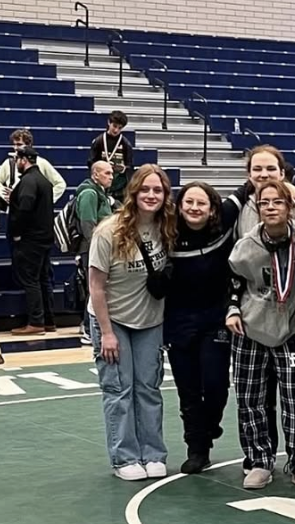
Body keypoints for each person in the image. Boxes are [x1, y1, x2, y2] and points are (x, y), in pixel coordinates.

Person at [88, 164, 176, 481]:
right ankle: (124, 456)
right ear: (133, 192)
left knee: (148, 389)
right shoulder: (108, 231)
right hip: (112, 319)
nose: (151, 195)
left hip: (150, 320)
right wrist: (107, 334)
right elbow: (96, 286)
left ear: (166, 195)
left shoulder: (168, 228)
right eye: (145, 189)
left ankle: (153, 453)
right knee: (119, 389)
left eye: (158, 190)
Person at [226, 180, 295, 490]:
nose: (271, 208)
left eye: (278, 202)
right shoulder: (247, 244)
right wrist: (232, 309)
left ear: (289, 207)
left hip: (292, 330)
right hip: (251, 330)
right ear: (258, 208)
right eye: (264, 203)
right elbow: (234, 282)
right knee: (250, 399)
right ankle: (259, 460)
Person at [166, 182, 238, 474]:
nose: (194, 208)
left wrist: (291, 186)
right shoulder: (167, 230)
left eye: (201, 204)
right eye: (189, 202)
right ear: (180, 205)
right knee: (188, 391)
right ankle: (197, 449)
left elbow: (251, 186)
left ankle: (209, 427)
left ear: (212, 209)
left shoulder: (225, 221)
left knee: (216, 384)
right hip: (179, 322)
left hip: (215, 320)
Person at [5, 147, 56, 336]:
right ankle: (48, 320)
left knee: (30, 280)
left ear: (24, 159)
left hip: (30, 240)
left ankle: (36, 322)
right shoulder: (44, 180)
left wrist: (17, 233)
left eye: (17, 159)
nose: (15, 162)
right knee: (43, 279)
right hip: (44, 238)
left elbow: (24, 209)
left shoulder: (28, 181)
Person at [74, 161, 114, 342]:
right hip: (91, 249)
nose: (111, 177)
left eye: (112, 173)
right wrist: (97, 248)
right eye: (107, 173)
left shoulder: (101, 193)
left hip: (99, 247)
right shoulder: (89, 193)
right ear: (95, 174)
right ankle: (88, 329)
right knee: (94, 289)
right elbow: (87, 224)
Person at [0, 129, 66, 205]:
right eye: (14, 144)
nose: (15, 148)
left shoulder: (42, 163)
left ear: (29, 145)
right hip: (14, 209)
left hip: (34, 210)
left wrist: (45, 200)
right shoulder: (8, 163)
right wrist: (5, 196)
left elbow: (60, 184)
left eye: (19, 144)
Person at [88, 111, 134, 202]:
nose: (116, 130)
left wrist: (123, 169)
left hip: (119, 186)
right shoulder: (99, 141)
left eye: (119, 128)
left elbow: (129, 165)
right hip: (100, 184)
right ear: (109, 122)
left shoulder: (126, 144)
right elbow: (91, 162)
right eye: (114, 126)